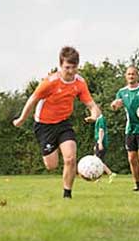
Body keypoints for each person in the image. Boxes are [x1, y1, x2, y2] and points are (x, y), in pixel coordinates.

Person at [13, 46, 101, 199]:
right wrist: (21, 119)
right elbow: (32, 99)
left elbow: (92, 105)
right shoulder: (50, 82)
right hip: (44, 125)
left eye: (74, 67)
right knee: (51, 165)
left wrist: (94, 115)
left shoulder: (80, 83)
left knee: (70, 157)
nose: (71, 71)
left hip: (63, 123)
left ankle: (67, 194)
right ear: (61, 65)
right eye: (67, 67)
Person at [94, 114, 116, 183]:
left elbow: (101, 130)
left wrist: (100, 142)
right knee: (96, 159)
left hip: (101, 142)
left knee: (99, 161)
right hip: (98, 141)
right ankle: (98, 178)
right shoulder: (98, 119)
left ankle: (110, 173)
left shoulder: (101, 119)